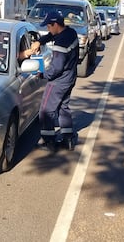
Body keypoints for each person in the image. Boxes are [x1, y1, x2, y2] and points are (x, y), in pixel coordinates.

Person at [25, 10, 79, 151]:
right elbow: (51, 35)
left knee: (46, 110)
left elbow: (56, 67)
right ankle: (68, 139)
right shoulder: (71, 33)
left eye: (49, 26)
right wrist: (39, 41)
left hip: (58, 81)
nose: (48, 29)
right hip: (70, 77)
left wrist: (42, 74)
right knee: (63, 108)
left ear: (55, 24)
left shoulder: (61, 42)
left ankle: (48, 141)